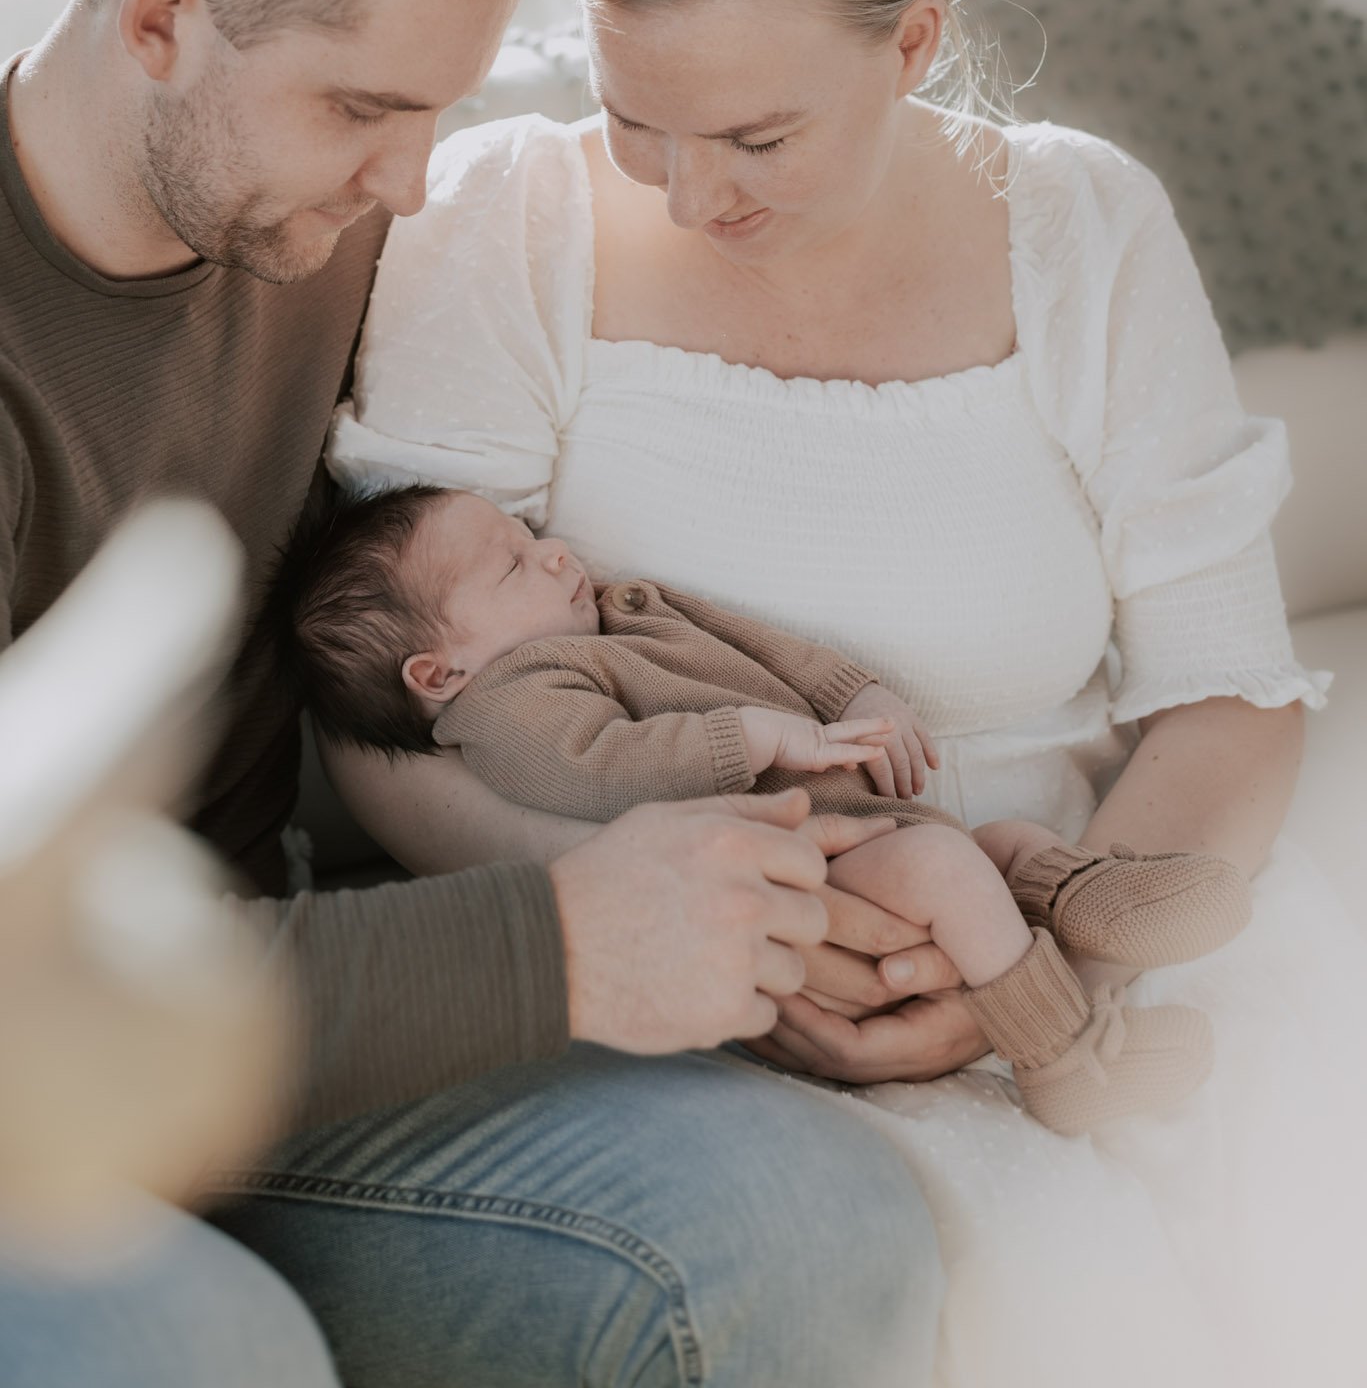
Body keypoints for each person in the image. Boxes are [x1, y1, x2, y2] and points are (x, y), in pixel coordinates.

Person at [325, 0, 1367, 1388]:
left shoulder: (1081, 228)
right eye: (637, 116)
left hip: (1067, 919)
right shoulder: (507, 223)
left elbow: (1226, 692)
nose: (689, 185)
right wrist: (708, 936)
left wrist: (1025, 960)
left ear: (913, 39)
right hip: (672, 972)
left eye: (756, 134)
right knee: (1015, 1291)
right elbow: (395, 710)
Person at [0, 0, 946, 1388]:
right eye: (364, 108)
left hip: (259, 1036)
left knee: (819, 1228)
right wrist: (564, 937)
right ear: (156, 23)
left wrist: (804, 895)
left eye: (441, 104)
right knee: (204, 1349)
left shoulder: (317, 221)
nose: (415, 184)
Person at [274, 480, 1253, 1134]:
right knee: (950, 869)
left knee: (994, 841)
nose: (556, 553)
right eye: (512, 565)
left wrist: (848, 695)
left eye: (531, 535)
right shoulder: (505, 704)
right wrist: (755, 737)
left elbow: (765, 646)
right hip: (799, 866)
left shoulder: (619, 610)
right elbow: (597, 769)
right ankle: (1065, 1058)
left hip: (866, 824)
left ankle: (1090, 895)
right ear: (438, 669)